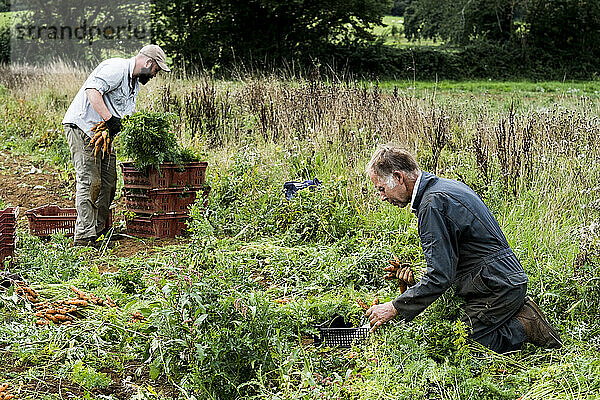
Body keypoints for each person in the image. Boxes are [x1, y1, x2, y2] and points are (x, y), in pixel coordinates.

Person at [364, 145, 562, 353]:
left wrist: (395, 307)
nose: (383, 197)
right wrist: (417, 278)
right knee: (454, 331)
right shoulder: (444, 188)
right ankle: (509, 314)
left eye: (381, 189)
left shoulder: (432, 205)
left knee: (456, 345)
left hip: (496, 287)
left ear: (398, 177)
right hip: (500, 279)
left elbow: (440, 276)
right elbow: (456, 257)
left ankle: (524, 324)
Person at [62, 45, 170, 246]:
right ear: (148, 63)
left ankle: (99, 230)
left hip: (102, 135)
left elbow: (124, 115)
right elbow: (92, 91)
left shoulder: (134, 84)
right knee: (91, 181)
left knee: (109, 183)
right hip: (83, 128)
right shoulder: (116, 68)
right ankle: (84, 237)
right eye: (156, 70)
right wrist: (110, 119)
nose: (155, 75)